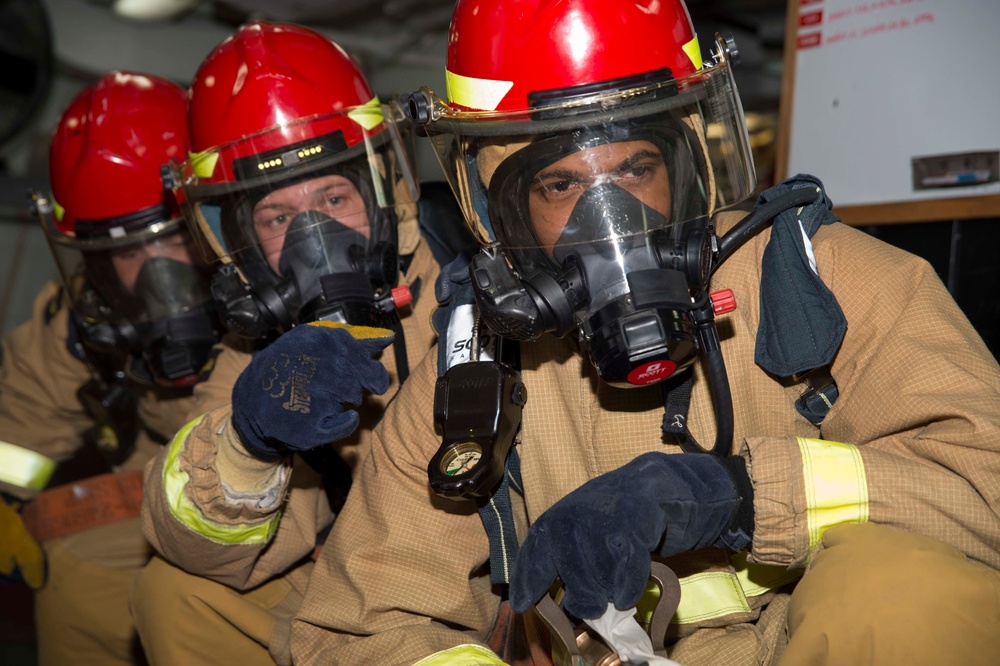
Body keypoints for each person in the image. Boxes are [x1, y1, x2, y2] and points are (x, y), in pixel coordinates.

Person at [289, 1, 1000, 664]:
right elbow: (365, 621)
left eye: (635, 168)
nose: (610, 217)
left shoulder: (828, 278)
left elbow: (986, 486)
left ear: (685, 166)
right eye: (561, 186)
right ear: (501, 211)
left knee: (897, 588)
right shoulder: (480, 362)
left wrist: (742, 493)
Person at [131, 21, 453, 666]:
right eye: (279, 218)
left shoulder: (472, 278)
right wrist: (250, 444)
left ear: (381, 192)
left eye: (333, 196)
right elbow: (200, 550)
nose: (315, 235)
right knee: (175, 592)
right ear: (241, 244)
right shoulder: (258, 350)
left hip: (501, 558)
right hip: (375, 567)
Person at [0, 71, 222, 665]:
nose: (157, 274)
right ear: (96, 260)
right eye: (127, 252)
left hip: (294, 505)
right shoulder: (86, 317)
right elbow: (22, 416)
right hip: (163, 493)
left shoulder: (274, 283)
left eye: (173, 238)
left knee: (189, 607)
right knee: (78, 579)